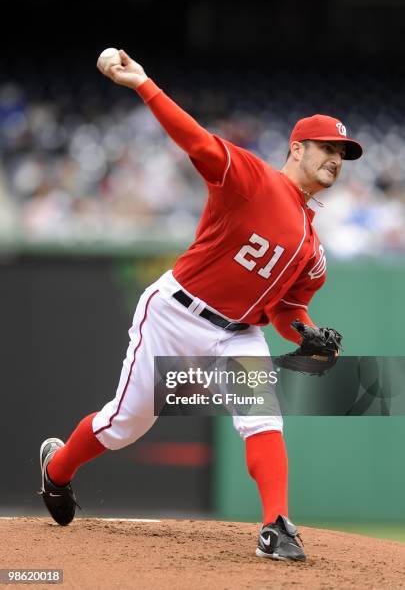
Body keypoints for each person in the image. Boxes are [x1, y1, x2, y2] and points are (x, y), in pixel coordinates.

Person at [39, 50, 363, 561]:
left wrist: (306, 333)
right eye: (328, 147)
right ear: (297, 148)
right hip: (174, 311)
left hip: (237, 334)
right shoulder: (254, 180)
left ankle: (276, 526)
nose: (336, 159)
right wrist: (144, 84)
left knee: (263, 419)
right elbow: (195, 140)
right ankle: (57, 470)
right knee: (125, 424)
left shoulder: (312, 248)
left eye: (343, 154)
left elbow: (285, 312)